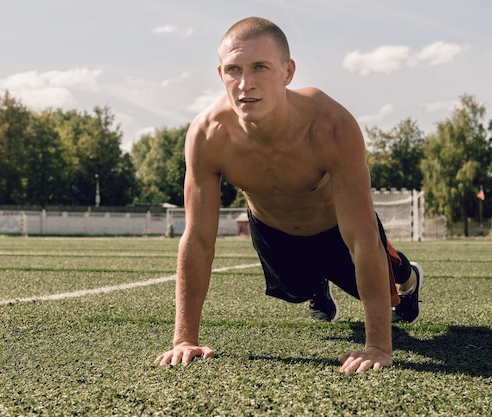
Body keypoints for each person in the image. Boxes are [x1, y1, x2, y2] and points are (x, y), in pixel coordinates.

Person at [156, 17, 423, 374]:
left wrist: (377, 346)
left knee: (385, 290)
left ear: (288, 72)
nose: (245, 84)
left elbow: (362, 239)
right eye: (234, 70)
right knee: (296, 291)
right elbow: (198, 239)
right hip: (274, 231)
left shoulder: (331, 125)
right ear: (221, 74)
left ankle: (409, 277)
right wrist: (184, 339)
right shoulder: (208, 135)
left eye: (260, 67)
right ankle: (316, 286)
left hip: (336, 230)